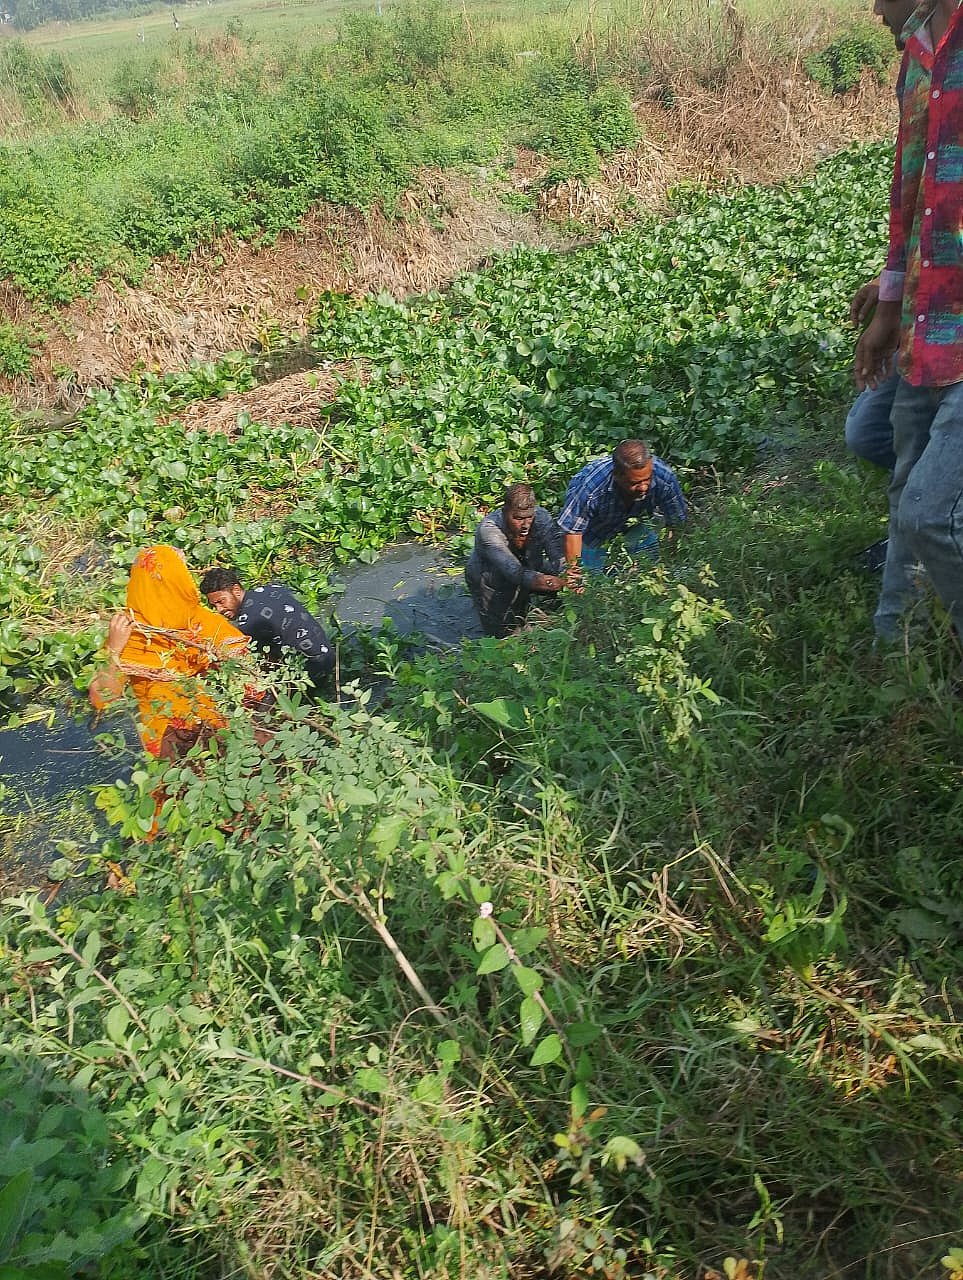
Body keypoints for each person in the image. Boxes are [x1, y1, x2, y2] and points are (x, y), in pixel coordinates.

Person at [854, 0, 963, 643]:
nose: (872, 8)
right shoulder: (920, 56)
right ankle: (896, 643)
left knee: (932, 514)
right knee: (906, 488)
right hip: (932, 321)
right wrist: (892, 304)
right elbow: (909, 193)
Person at [88, 544, 248, 759]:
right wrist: (114, 649)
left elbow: (102, 698)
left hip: (177, 734)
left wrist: (113, 650)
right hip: (195, 729)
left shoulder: (195, 620)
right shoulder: (129, 630)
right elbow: (249, 676)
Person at [557, 439, 687, 575]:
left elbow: (677, 522)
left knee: (648, 570)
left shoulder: (664, 478)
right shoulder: (591, 487)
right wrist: (574, 575)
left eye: (647, 480)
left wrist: (671, 561)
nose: (643, 487)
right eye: (635, 483)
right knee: (593, 583)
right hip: (593, 533)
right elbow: (573, 531)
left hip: (637, 526)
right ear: (617, 476)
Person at [200, 568, 335, 694]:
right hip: (327, 654)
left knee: (262, 701)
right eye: (214, 605)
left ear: (236, 590)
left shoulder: (249, 623)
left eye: (221, 601)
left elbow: (263, 661)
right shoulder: (270, 588)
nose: (219, 609)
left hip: (312, 672)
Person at [465, 483, 566, 637]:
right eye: (518, 518)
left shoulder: (542, 518)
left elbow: (558, 555)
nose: (525, 525)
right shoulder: (489, 530)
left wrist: (569, 578)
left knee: (562, 582)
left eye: (529, 517)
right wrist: (556, 583)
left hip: (531, 565)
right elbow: (514, 572)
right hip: (492, 579)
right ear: (505, 512)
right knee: (505, 634)